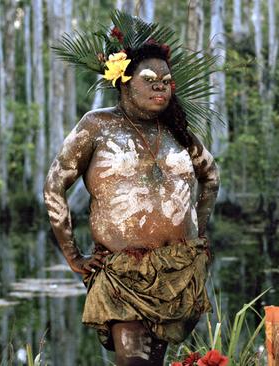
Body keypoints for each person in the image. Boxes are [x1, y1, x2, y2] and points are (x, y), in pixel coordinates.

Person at [44, 13, 220, 366]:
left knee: (155, 361)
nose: (161, 87)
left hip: (177, 271)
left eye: (167, 81)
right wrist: (73, 256)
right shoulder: (96, 125)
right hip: (121, 273)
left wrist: (197, 233)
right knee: (134, 361)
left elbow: (210, 177)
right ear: (124, 82)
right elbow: (54, 186)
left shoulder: (178, 132)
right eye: (151, 79)